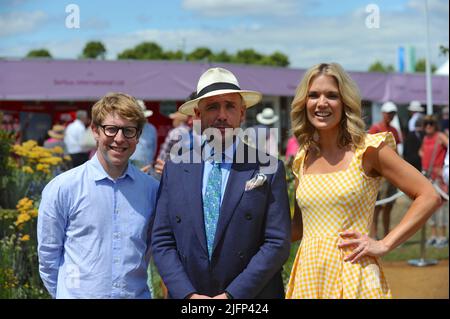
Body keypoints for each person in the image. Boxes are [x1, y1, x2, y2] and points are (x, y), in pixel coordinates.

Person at [286, 63, 441, 299]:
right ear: (303, 102)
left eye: (332, 95)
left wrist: (385, 243)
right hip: (309, 277)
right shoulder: (302, 158)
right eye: (313, 95)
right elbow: (298, 227)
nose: (321, 103)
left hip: (354, 275)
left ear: (345, 102)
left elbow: (428, 195)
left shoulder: (368, 150)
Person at [151, 67, 291, 299]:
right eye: (212, 107)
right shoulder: (175, 168)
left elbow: (277, 243)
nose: (222, 115)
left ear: (242, 113)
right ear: (197, 114)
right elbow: (162, 240)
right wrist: (188, 294)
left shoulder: (269, 167)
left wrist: (232, 296)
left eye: (230, 106)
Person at [37, 92, 159, 298]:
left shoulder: (151, 190)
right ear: (95, 130)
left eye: (128, 131)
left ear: (138, 136)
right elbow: (48, 257)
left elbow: (147, 251)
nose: (119, 139)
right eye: (111, 129)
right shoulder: (63, 188)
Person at [368, 101, 402, 239]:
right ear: (383, 113)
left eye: (393, 113)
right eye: (389, 113)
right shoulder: (375, 129)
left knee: (388, 206)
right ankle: (374, 234)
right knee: (377, 207)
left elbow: (396, 151)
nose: (391, 116)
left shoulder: (394, 131)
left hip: (391, 174)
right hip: (378, 174)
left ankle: (387, 234)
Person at [419, 115, 449, 248]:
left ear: (435, 125)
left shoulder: (440, 136)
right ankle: (433, 235)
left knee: (441, 206)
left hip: (438, 177)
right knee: (430, 206)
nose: (428, 126)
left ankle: (442, 236)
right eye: (426, 123)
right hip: (427, 176)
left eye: (431, 123)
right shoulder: (425, 138)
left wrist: (444, 167)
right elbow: (421, 152)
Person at [130, 99, 157, 169]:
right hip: (129, 167)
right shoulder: (128, 128)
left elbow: (153, 149)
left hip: (147, 167)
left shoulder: (151, 129)